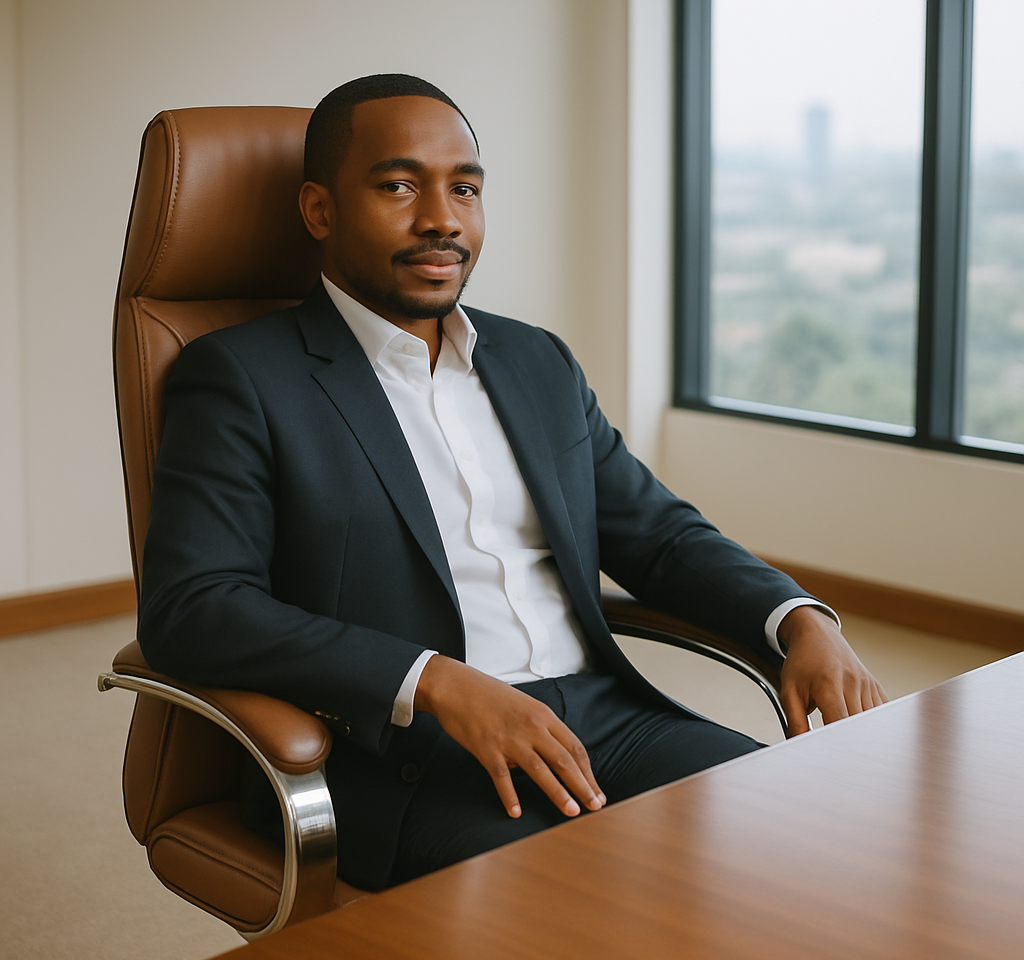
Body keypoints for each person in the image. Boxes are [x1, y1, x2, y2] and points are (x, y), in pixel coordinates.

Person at [138, 74, 886, 892]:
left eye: (464, 188)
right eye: (397, 186)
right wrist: (434, 681)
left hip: (608, 719)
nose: (442, 219)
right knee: (601, 927)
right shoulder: (243, 377)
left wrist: (799, 619)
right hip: (412, 759)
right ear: (319, 211)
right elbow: (196, 607)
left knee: (815, 843)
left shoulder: (535, 361)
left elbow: (660, 535)